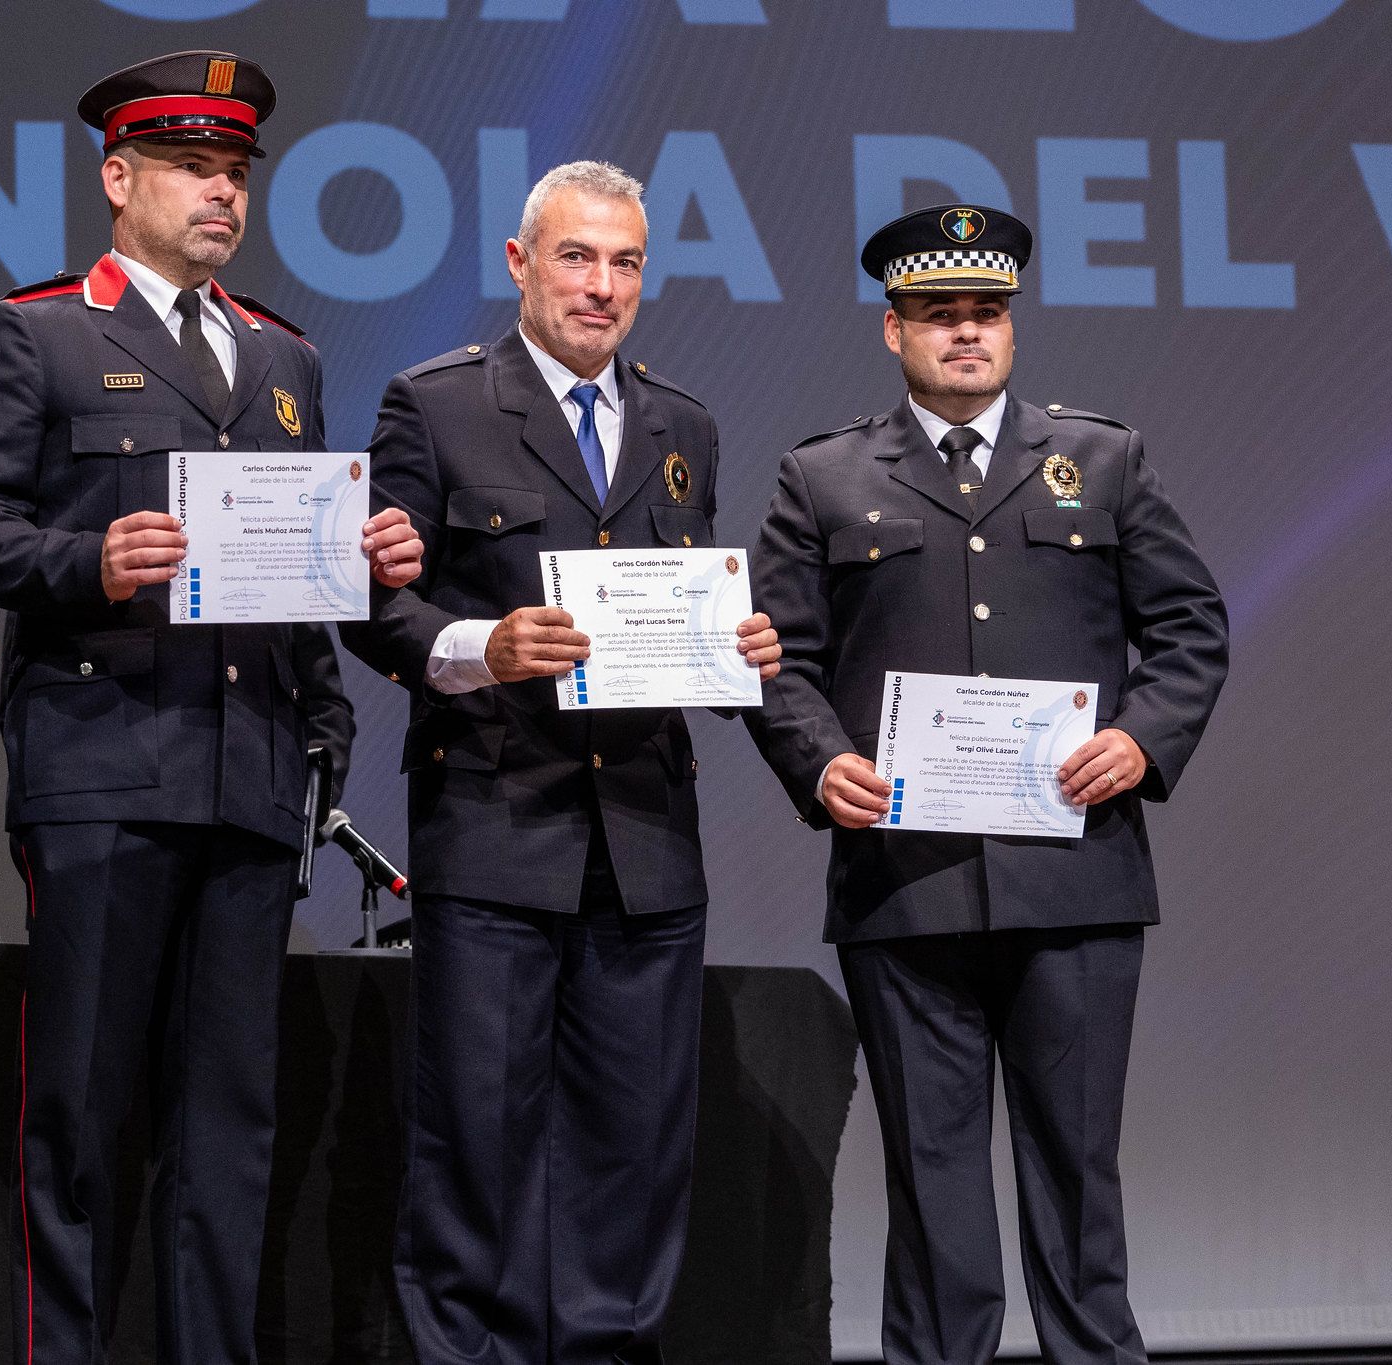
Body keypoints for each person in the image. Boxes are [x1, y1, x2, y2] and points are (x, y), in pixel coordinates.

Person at [0, 50, 422, 1365]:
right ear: (118, 177)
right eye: (195, 167)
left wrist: (337, 673)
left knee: (232, 1127)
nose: (222, 193)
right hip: (102, 768)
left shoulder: (285, 356)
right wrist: (87, 561)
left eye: (236, 171)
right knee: (81, 1116)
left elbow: (291, 575)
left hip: (250, 778)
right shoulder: (35, 332)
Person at [746, 204, 1229, 1365]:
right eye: (937, 315)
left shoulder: (1100, 456)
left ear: (1009, 325)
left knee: (1075, 1176)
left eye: (986, 313)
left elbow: (1188, 628)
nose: (966, 333)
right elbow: (773, 662)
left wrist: (1142, 741)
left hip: (1074, 880)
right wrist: (819, 763)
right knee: (934, 1183)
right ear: (891, 330)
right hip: (902, 886)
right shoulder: (820, 477)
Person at [337, 161, 781, 1365]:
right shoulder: (431, 404)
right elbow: (373, 610)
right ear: (518, 262)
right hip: (493, 829)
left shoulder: (683, 423)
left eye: (625, 262)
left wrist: (735, 647)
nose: (601, 286)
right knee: (473, 1146)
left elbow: (679, 615)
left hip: (644, 840)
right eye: (576, 258)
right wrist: (485, 646)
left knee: (633, 1150)